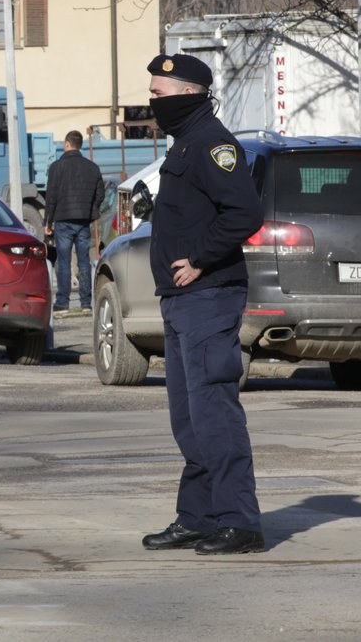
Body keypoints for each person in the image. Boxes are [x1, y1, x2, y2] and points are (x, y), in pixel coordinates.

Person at [139, 53, 265, 556]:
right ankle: (198, 516)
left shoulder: (213, 144)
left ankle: (240, 522)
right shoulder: (186, 143)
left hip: (208, 296)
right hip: (181, 299)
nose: (151, 102)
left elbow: (244, 213)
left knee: (215, 410)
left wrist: (199, 259)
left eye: (158, 94)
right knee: (189, 418)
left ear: (189, 94)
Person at [43, 130, 104, 317]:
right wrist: (91, 210)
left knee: (64, 261)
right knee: (84, 261)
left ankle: (63, 303)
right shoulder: (92, 168)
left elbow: (51, 196)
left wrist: (48, 221)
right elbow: (100, 193)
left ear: (67, 144)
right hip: (83, 221)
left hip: (62, 220)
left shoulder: (56, 167)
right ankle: (86, 303)